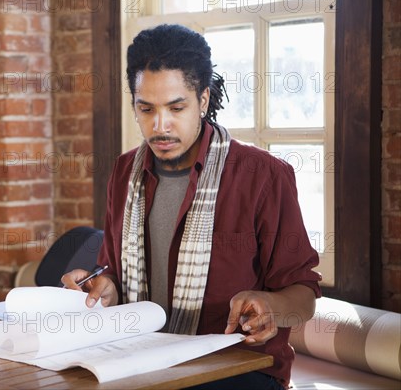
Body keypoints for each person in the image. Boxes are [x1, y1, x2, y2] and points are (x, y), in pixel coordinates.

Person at [62, 24, 321, 390]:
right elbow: (115, 276)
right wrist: (104, 289)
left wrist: (269, 307)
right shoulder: (124, 173)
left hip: (238, 370)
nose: (159, 125)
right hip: (141, 358)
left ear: (202, 100)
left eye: (176, 107)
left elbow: (304, 296)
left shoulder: (263, 175)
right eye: (145, 108)